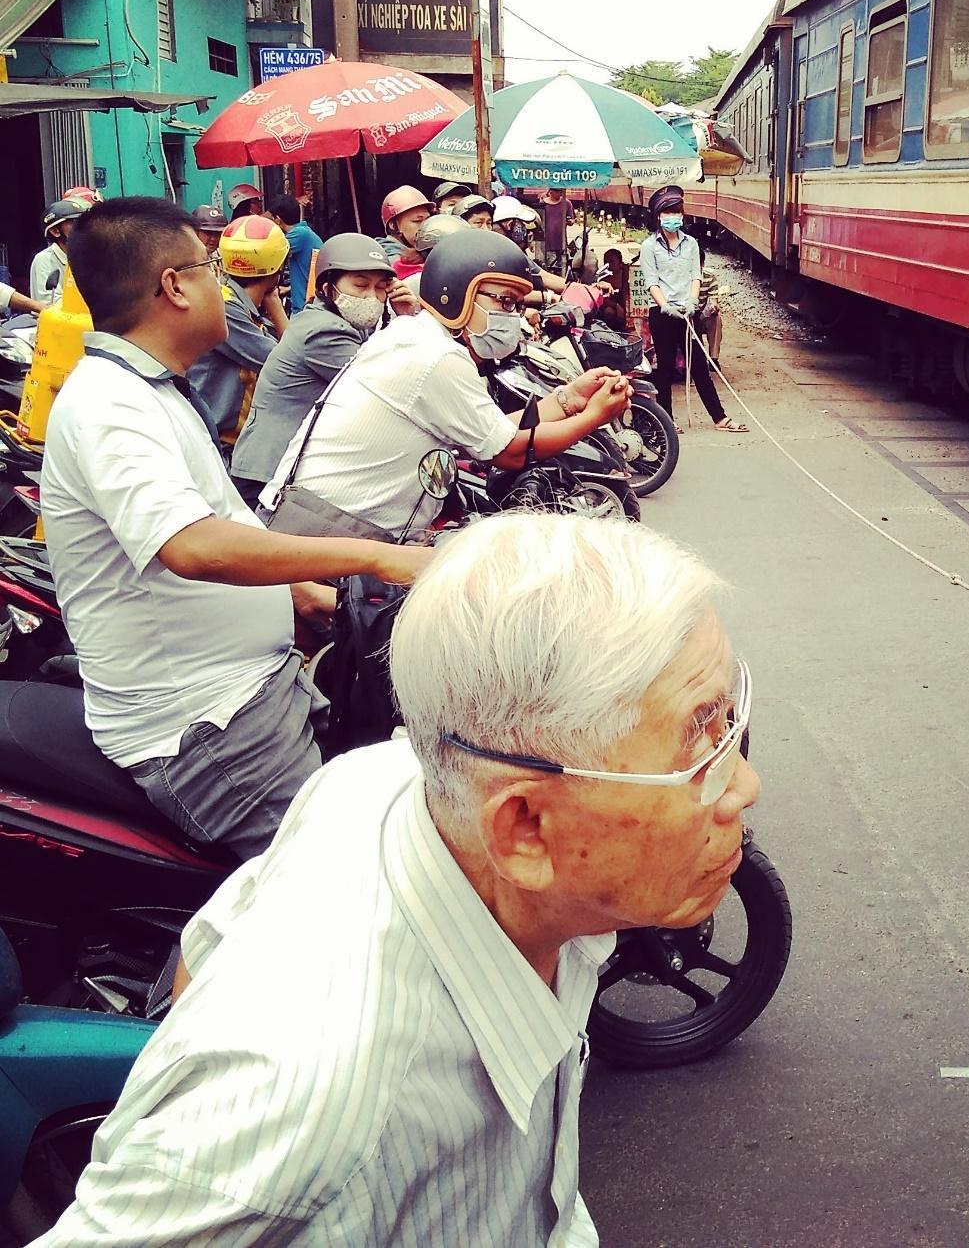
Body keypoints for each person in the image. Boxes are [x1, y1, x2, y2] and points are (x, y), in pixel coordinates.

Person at [35, 512, 759, 1245]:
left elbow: (215, 937)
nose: (744, 786)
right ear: (526, 829)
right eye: (697, 744)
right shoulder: (304, 1116)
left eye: (727, 724)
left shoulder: (378, 778)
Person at [38, 198, 430, 860]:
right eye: (209, 268)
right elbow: (193, 544)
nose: (221, 284)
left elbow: (221, 520)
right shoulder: (111, 403)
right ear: (175, 287)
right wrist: (379, 559)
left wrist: (311, 595)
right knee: (343, 887)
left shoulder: (154, 389)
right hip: (205, 728)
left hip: (250, 693)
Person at [260, 227, 634, 540]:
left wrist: (570, 398)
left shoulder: (416, 336)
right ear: (458, 293)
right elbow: (509, 452)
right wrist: (595, 416)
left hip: (332, 525)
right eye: (504, 301)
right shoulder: (436, 356)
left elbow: (491, 431)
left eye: (516, 305)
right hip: (329, 532)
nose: (511, 316)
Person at [229, 233, 417, 506]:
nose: (371, 296)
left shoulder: (340, 322)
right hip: (269, 474)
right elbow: (387, 387)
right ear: (328, 288)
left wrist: (403, 316)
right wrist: (408, 322)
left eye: (380, 288)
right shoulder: (325, 330)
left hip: (286, 470)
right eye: (361, 285)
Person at [639, 188, 746, 432]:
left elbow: (695, 276)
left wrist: (691, 302)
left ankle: (720, 418)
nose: (672, 217)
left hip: (688, 312)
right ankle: (666, 421)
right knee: (664, 367)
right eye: (667, 212)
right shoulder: (649, 246)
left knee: (698, 365)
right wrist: (665, 305)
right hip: (663, 314)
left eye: (676, 212)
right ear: (658, 216)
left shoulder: (691, 244)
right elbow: (651, 281)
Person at [188, 215, 288, 446]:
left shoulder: (236, 302)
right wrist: (275, 304)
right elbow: (286, 362)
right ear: (278, 264)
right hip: (219, 443)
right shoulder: (226, 309)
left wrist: (271, 299)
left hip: (233, 439)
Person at [493, 195, 569, 298]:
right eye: (520, 224)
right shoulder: (502, 254)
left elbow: (545, 278)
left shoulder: (514, 253)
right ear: (510, 225)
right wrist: (550, 298)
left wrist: (581, 288)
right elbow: (508, 293)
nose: (523, 229)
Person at [266, 192, 322, 312]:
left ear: (278, 220)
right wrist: (289, 289)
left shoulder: (299, 235)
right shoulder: (304, 233)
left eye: (272, 218)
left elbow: (266, 253)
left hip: (305, 310)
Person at [29, 198, 87, 305]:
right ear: (55, 231)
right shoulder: (44, 260)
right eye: (74, 222)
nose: (82, 228)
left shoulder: (89, 256)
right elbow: (50, 302)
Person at [378, 184, 436, 265]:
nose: (426, 226)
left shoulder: (426, 251)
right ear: (393, 226)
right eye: (417, 221)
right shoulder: (388, 260)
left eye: (427, 220)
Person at [539, 188, 573, 269]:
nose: (560, 194)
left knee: (562, 265)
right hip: (547, 241)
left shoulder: (566, 203)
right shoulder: (543, 204)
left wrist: (570, 221)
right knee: (550, 265)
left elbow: (571, 219)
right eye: (557, 191)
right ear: (551, 192)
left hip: (561, 241)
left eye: (561, 191)